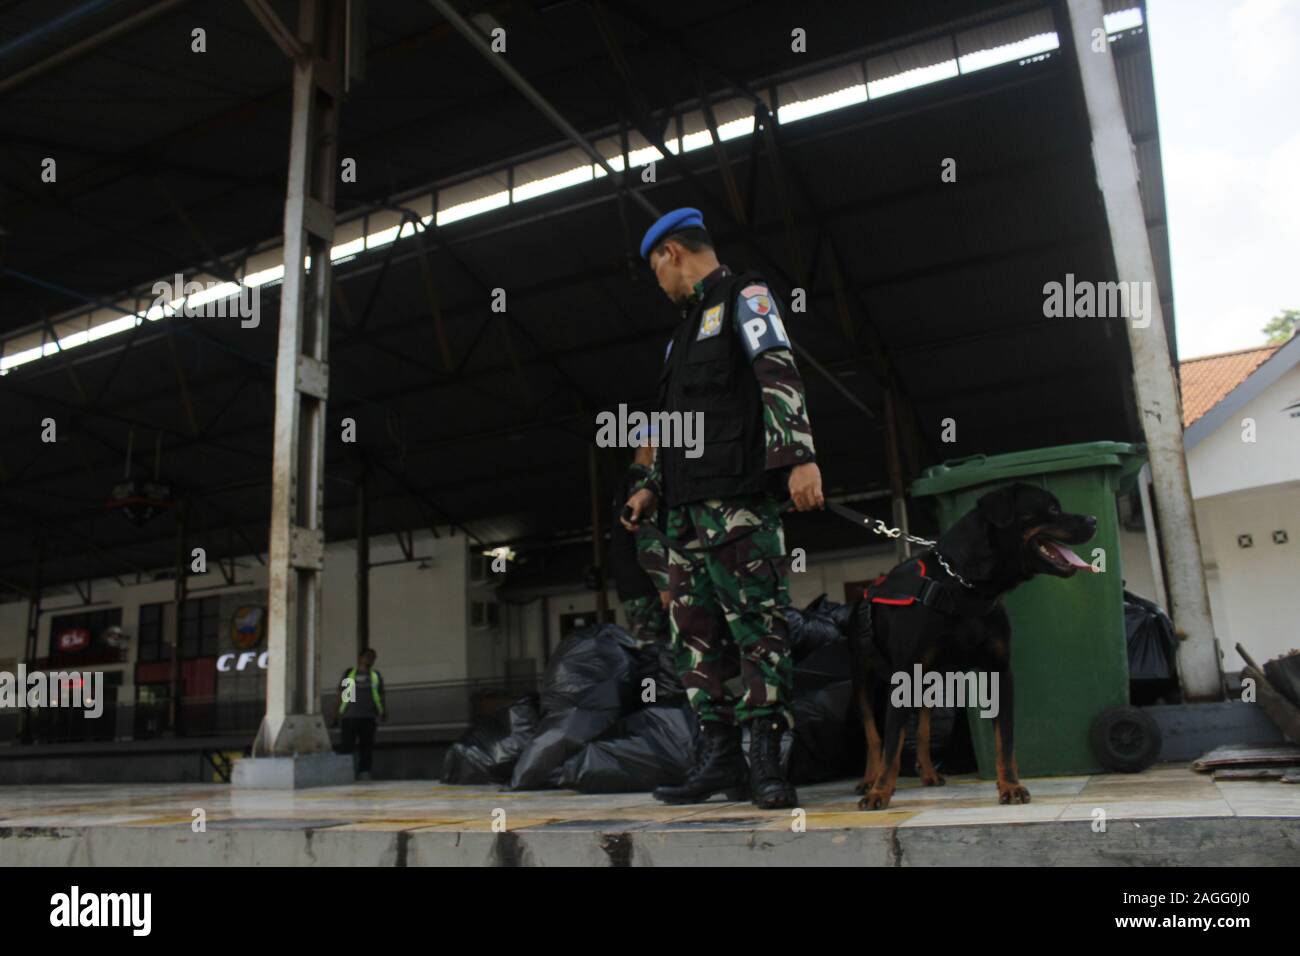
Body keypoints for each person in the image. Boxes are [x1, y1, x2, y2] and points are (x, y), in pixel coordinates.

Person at [622, 207, 824, 810]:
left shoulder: (747, 296)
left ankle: (766, 759)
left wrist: (799, 456)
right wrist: (649, 483)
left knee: (759, 630)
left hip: (738, 503)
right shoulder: (678, 338)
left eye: (655, 269)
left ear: (672, 254)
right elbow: (673, 423)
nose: (658, 284)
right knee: (696, 638)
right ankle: (718, 759)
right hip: (683, 512)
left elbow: (777, 371)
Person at [609, 429, 671, 646]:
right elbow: (647, 538)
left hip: (634, 588)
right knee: (657, 654)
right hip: (648, 588)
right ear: (648, 448)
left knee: (648, 652)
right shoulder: (641, 485)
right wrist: (664, 585)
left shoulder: (626, 482)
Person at [336, 647, 386, 780]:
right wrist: (337, 712)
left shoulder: (375, 676)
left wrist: (383, 711)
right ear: (360, 658)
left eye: (373, 657)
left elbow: (380, 695)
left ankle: (364, 772)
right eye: (367, 656)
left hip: (368, 716)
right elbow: (342, 694)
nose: (370, 660)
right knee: (347, 745)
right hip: (350, 716)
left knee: (367, 746)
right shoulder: (350, 673)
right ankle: (344, 772)